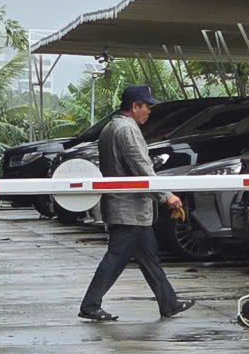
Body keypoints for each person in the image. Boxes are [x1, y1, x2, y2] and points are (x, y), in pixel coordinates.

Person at [76, 84, 195, 323]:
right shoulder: (127, 130)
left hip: (129, 208)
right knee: (115, 257)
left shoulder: (111, 127)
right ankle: (90, 304)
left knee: (149, 257)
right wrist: (166, 196)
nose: (149, 111)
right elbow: (141, 167)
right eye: (146, 106)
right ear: (134, 106)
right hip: (129, 208)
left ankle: (169, 303)